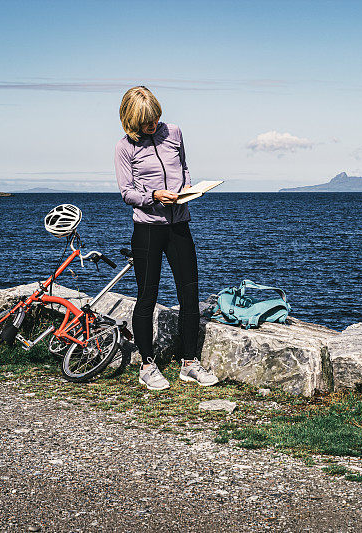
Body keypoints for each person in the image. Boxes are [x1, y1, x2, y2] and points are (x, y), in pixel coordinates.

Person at [114, 86, 219, 390]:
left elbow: (183, 168)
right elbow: (127, 192)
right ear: (132, 121)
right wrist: (155, 196)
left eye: (156, 118)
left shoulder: (173, 132)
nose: (154, 125)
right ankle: (147, 365)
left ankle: (189, 363)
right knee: (148, 297)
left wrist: (187, 190)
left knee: (189, 295)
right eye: (147, 122)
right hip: (148, 229)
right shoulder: (124, 148)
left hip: (180, 225)